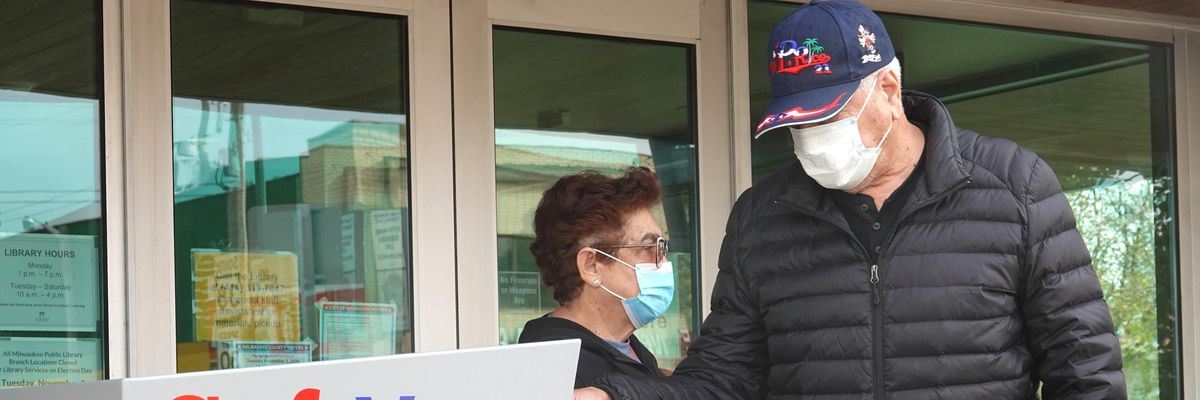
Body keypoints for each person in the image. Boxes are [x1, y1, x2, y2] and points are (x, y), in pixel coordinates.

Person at [574, 1, 1126, 399]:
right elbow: (724, 379)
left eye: (829, 117)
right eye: (799, 124)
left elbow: (1085, 373)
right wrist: (617, 397)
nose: (812, 141)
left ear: (888, 90)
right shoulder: (762, 219)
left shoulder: (1014, 188)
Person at [520, 167, 676, 388]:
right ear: (591, 266)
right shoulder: (555, 370)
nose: (663, 262)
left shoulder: (629, 350)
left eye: (663, 247)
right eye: (648, 248)